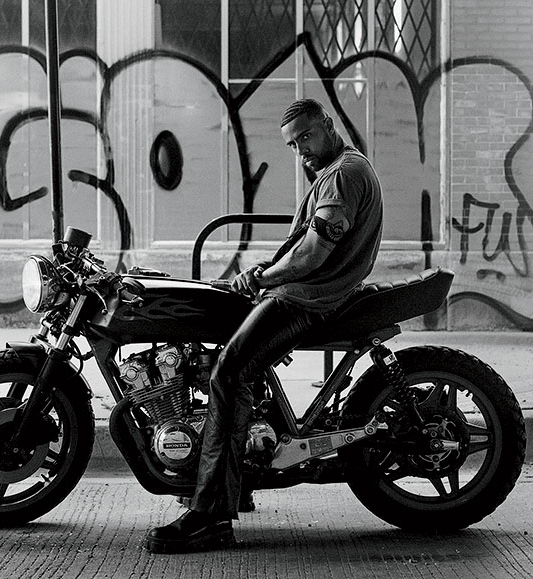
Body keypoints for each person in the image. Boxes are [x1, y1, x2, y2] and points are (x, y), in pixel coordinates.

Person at [144, 98, 383, 553]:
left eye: (306, 138)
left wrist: (261, 277)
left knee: (231, 373)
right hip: (300, 292)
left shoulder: (343, 175)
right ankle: (238, 478)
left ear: (328, 126)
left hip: (307, 300)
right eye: (293, 145)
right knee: (217, 343)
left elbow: (314, 253)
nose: (302, 151)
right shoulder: (336, 171)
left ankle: (211, 515)